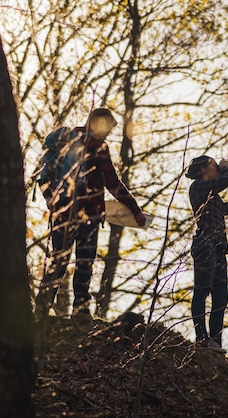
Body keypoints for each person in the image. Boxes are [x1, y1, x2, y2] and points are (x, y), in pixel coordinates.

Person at [37, 108, 146, 327]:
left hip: (62, 214)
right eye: (107, 128)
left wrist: (54, 203)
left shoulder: (68, 142)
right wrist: (135, 211)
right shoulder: (98, 147)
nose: (107, 134)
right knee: (84, 262)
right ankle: (80, 311)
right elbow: (113, 183)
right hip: (89, 216)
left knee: (59, 259)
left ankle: (41, 308)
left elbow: (45, 179)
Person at [185, 155, 228, 352]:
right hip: (205, 243)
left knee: (221, 297)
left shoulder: (214, 196)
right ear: (203, 169)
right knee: (202, 290)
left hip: (218, 247)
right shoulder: (198, 187)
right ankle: (201, 337)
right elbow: (222, 181)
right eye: (213, 165)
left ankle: (215, 342)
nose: (217, 168)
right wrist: (226, 172)